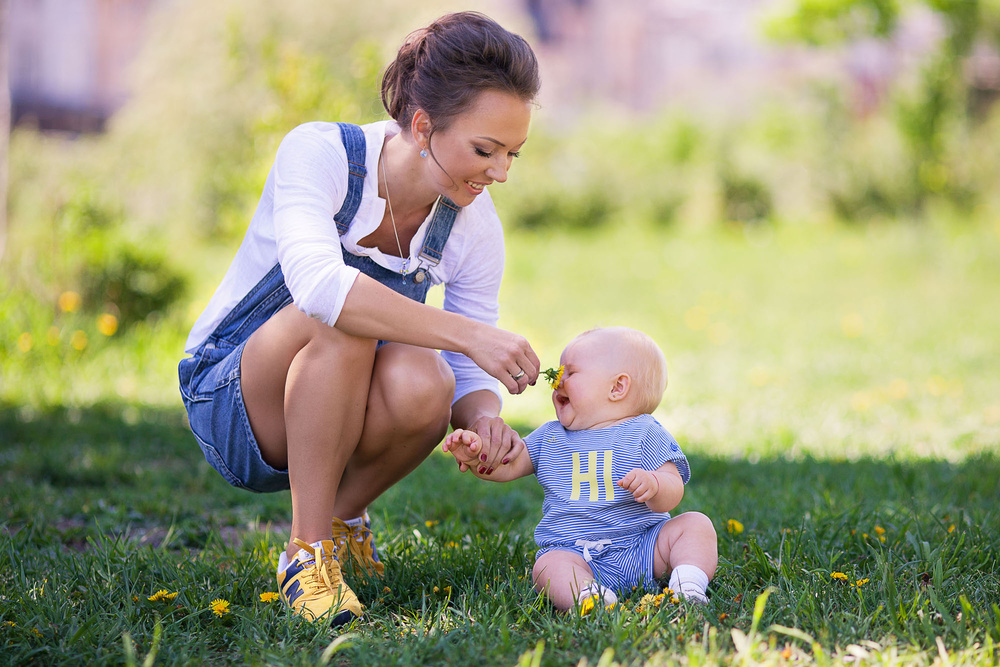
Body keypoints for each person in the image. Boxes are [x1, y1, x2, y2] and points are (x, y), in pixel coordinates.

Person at [178, 12, 542, 627]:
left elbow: (462, 368)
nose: (500, 172)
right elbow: (321, 288)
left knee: (429, 380)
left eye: (513, 154)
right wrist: (473, 336)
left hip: (339, 412)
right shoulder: (320, 153)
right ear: (423, 125)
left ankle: (339, 522)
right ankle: (305, 554)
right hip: (235, 397)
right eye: (486, 150)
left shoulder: (474, 225)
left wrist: (486, 422)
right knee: (346, 319)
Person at [444, 327, 718, 613]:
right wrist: (478, 456)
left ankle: (688, 585)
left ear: (617, 388)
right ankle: (590, 597)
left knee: (695, 525)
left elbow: (674, 489)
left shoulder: (644, 432)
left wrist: (656, 485)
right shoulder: (550, 436)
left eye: (570, 373)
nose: (557, 380)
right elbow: (506, 465)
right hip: (576, 554)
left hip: (645, 548)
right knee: (547, 566)